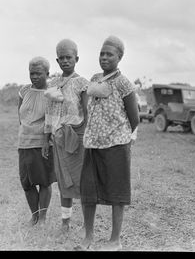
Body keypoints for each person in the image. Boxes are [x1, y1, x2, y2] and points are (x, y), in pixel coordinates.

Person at [77, 35, 139, 251]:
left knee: (117, 193)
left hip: (116, 146)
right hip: (93, 144)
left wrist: (121, 139)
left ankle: (115, 240)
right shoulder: (94, 78)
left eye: (109, 54)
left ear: (119, 57)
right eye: (101, 54)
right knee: (88, 191)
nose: (104, 57)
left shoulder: (123, 83)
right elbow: (88, 108)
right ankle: (88, 237)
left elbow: (135, 118)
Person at [42, 39, 89, 233]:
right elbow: (49, 113)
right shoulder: (53, 84)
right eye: (61, 58)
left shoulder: (82, 83)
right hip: (58, 139)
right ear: (57, 60)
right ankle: (65, 222)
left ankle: (89, 224)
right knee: (64, 181)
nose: (65, 61)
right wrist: (46, 139)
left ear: (76, 58)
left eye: (68, 57)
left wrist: (87, 138)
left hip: (77, 137)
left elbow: (87, 113)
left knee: (82, 181)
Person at [17, 56, 56, 226]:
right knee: (26, 183)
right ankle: (34, 215)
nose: (34, 77)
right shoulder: (24, 91)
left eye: (38, 73)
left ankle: (42, 218)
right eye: (31, 73)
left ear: (47, 73)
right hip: (24, 143)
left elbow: (52, 119)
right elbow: (20, 115)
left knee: (44, 181)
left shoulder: (52, 92)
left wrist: (46, 141)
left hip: (42, 144)